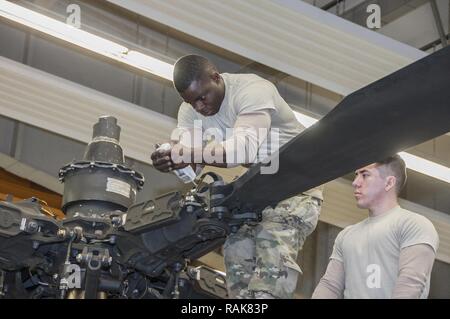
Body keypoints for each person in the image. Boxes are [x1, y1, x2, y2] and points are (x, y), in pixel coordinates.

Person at [151, 55, 323, 299]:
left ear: (216, 77)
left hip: (295, 184)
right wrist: (171, 158)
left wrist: (186, 153)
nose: (199, 107)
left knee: (271, 256)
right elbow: (191, 168)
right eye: (192, 102)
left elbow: (242, 150)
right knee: (236, 262)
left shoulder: (253, 91)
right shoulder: (190, 112)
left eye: (203, 97)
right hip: (256, 188)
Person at [312, 155, 439, 299]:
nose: (355, 183)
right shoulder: (346, 235)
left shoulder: (414, 224)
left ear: (389, 182)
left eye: (365, 175)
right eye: (356, 175)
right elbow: (330, 286)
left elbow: (410, 283)